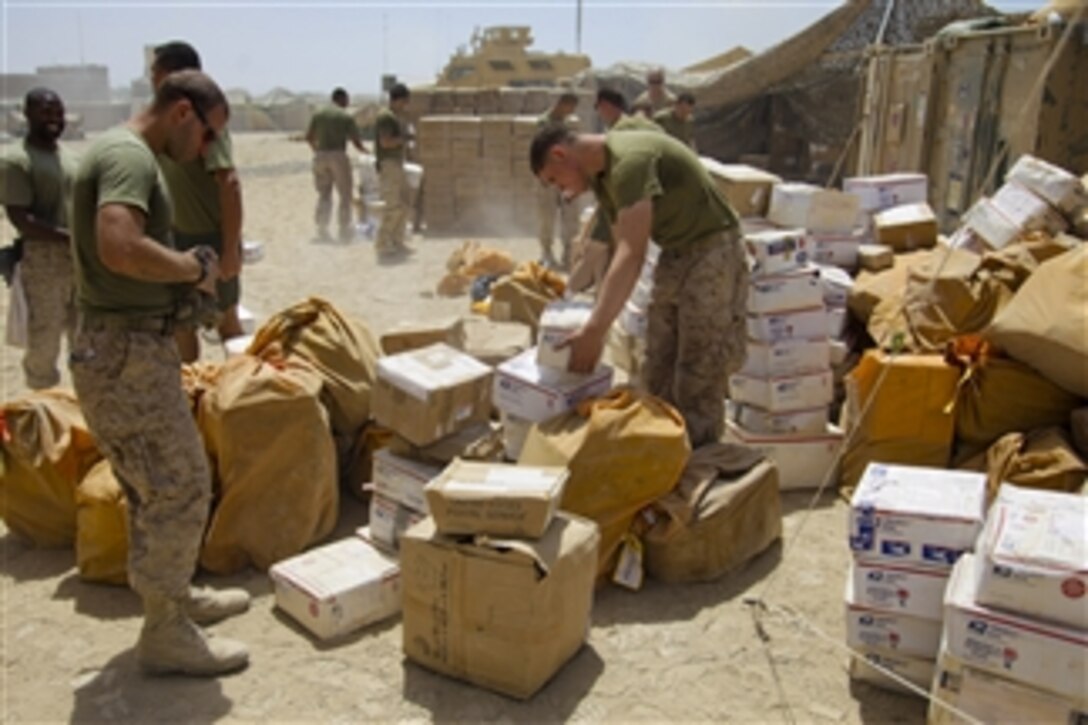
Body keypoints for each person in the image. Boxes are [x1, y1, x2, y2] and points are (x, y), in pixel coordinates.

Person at [69, 70, 249, 677]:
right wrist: (187, 269)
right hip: (124, 355)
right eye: (206, 136)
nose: (205, 151)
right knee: (180, 485)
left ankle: (170, 597)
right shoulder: (130, 159)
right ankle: (166, 629)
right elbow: (119, 245)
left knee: (152, 483)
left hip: (124, 350)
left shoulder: (122, 151)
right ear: (180, 113)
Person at [530, 126, 748, 447]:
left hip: (713, 250)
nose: (563, 192)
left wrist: (595, 330)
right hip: (676, 251)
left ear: (560, 155)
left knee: (699, 365)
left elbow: (633, 252)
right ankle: (661, 449)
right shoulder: (604, 177)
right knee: (657, 360)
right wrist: (583, 306)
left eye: (554, 179)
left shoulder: (629, 163)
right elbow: (615, 249)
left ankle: (699, 460)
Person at [150, 41, 245, 362]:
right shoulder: (163, 123)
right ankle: (193, 397)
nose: (151, 78)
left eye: (156, 71)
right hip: (175, 238)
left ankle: (244, 393)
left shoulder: (204, 122)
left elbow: (229, 184)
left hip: (210, 238)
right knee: (182, 325)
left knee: (225, 322)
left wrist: (230, 249)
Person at [0, 88, 77, 389]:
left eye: (58, 112)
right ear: (28, 114)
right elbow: (21, 219)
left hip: (80, 260)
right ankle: (42, 418)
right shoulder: (16, 161)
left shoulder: (72, 159)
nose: (54, 119)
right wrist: (70, 238)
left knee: (86, 342)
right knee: (44, 346)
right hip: (44, 261)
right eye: (46, 112)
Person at [305, 87, 364, 242]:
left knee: (324, 193)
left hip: (321, 155)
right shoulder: (345, 116)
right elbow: (356, 142)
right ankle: (343, 228)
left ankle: (322, 228)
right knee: (345, 194)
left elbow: (309, 137)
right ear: (342, 99)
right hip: (338, 155)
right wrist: (366, 152)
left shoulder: (318, 114)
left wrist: (317, 151)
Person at [535, 92, 582, 270]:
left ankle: (568, 254)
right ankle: (547, 252)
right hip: (548, 175)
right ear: (563, 104)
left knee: (570, 216)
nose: (572, 112)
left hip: (565, 175)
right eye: (571, 108)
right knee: (547, 215)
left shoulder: (565, 123)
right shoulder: (544, 122)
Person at [373, 83, 415, 260]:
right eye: (405, 102)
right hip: (389, 164)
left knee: (404, 204)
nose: (406, 106)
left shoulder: (394, 117)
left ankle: (397, 241)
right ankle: (383, 244)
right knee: (392, 206)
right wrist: (404, 139)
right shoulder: (386, 117)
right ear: (398, 100)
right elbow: (386, 142)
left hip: (397, 163)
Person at [594, 88, 660, 132]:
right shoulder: (613, 126)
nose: (599, 112)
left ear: (606, 105)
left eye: (598, 107)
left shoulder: (626, 125)